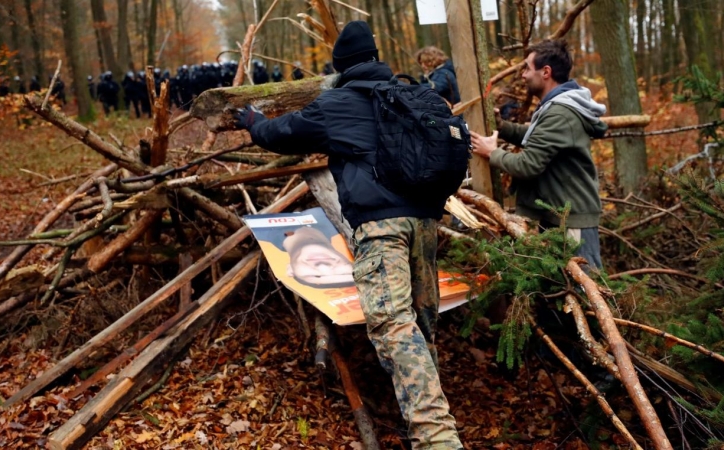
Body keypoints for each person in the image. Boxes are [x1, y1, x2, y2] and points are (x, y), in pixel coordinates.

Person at [233, 20, 463, 450]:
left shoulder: (336, 102)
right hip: (426, 224)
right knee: (420, 323)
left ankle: (437, 439)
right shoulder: (414, 95)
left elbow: (280, 135)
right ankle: (430, 421)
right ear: (376, 59)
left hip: (381, 230)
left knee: (393, 327)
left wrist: (252, 119)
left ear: (340, 67)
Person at [470, 39, 607, 269]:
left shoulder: (559, 113)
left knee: (583, 292)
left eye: (527, 68)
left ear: (546, 72)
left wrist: (492, 152)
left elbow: (528, 164)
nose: (522, 75)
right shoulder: (557, 106)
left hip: (570, 219)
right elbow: (539, 139)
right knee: (559, 290)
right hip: (559, 214)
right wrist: (503, 127)